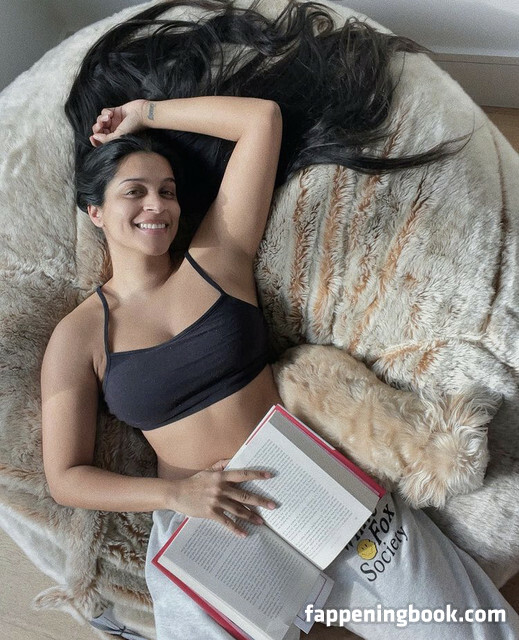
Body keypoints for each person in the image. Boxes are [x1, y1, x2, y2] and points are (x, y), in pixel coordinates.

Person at [41, 95, 519, 640]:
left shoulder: (216, 257)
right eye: (135, 191)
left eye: (167, 191)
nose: (157, 205)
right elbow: (66, 478)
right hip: (206, 522)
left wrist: (146, 114)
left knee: (468, 629)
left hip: (312, 483)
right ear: (95, 210)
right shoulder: (77, 337)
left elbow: (260, 120)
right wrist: (175, 495)